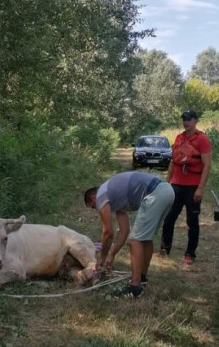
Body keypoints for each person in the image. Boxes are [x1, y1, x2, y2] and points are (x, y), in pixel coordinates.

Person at [83, 171, 174, 298]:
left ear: (93, 198)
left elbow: (108, 232)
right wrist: (111, 255)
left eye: (93, 207)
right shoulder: (116, 199)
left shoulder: (101, 196)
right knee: (145, 239)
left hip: (155, 193)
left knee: (134, 241)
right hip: (167, 191)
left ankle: (135, 288)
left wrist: (102, 257)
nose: (97, 209)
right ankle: (142, 278)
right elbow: (124, 230)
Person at [158, 109, 212, 268]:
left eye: (189, 119)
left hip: (193, 186)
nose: (186, 122)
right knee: (169, 219)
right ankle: (164, 249)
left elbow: (207, 165)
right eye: (184, 119)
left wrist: (200, 188)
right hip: (176, 184)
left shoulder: (202, 139)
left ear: (196, 121)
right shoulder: (179, 138)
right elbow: (173, 161)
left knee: (192, 221)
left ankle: (190, 254)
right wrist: (167, 182)